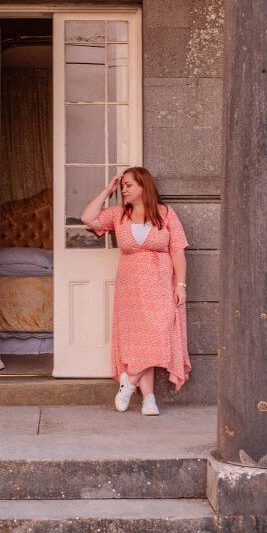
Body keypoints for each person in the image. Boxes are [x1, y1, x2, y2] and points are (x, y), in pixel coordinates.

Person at [80, 167, 191, 415]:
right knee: (138, 341)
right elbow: (88, 218)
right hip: (130, 287)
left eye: (128, 185)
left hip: (160, 284)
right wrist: (107, 191)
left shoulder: (165, 213)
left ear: (144, 186)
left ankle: (129, 382)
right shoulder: (119, 213)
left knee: (160, 333)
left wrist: (180, 284)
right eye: (122, 186)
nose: (124, 189)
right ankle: (148, 398)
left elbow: (177, 251)